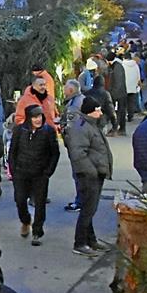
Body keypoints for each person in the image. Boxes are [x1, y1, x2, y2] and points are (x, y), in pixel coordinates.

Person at [65, 97, 112, 257]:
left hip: (95, 173)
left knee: (90, 209)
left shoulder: (90, 125)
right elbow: (78, 153)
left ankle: (90, 240)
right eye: (97, 110)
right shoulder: (82, 127)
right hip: (89, 175)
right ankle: (80, 243)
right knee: (88, 210)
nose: (100, 112)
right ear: (90, 112)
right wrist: (91, 172)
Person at [8, 104, 60, 244]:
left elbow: (54, 153)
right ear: (28, 118)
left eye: (39, 116)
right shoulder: (19, 130)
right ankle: (25, 221)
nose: (37, 120)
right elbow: (12, 151)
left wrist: (48, 172)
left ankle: (37, 232)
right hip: (21, 172)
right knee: (20, 200)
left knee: (40, 203)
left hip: (40, 173)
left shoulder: (48, 131)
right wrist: (13, 169)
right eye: (34, 117)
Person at [107, 52, 129, 135]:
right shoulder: (117, 66)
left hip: (118, 94)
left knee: (118, 112)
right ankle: (121, 128)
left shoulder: (117, 67)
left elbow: (118, 83)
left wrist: (113, 95)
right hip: (121, 93)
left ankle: (116, 128)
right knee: (120, 111)